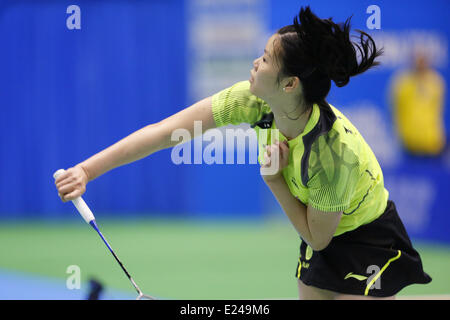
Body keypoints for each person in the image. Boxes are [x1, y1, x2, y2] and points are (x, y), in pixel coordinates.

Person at [55, 7, 431, 300]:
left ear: (289, 84)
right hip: (321, 225)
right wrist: (87, 171)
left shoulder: (332, 155)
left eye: (265, 58)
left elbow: (318, 240)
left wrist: (274, 180)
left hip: (369, 235)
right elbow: (163, 134)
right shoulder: (252, 101)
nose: (255, 62)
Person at [390, 51, 446, 156]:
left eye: (423, 61)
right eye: (418, 61)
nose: (421, 64)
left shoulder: (435, 82)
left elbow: (437, 110)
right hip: (410, 141)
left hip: (432, 141)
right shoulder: (403, 83)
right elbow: (396, 110)